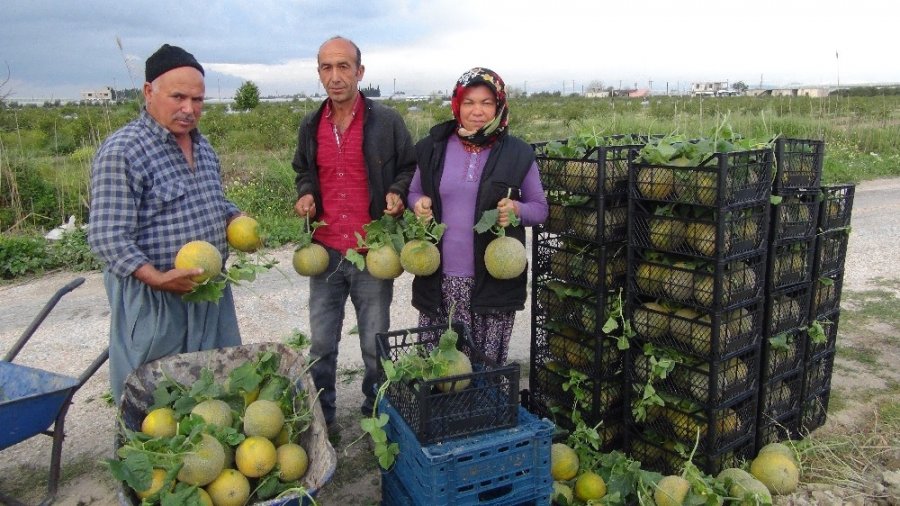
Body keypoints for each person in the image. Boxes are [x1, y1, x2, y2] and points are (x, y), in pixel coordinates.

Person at [88, 44, 243, 404]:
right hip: (156, 296)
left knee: (214, 387)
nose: (189, 109)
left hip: (209, 292)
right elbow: (107, 235)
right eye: (178, 97)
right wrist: (156, 278)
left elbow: (213, 201)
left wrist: (234, 216)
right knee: (158, 396)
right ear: (148, 92)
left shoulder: (204, 148)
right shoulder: (124, 150)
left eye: (198, 99)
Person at [292, 36, 416, 425]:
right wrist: (307, 194)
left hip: (372, 252)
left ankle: (376, 411)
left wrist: (397, 192)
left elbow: (409, 168)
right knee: (320, 345)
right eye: (327, 68)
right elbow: (303, 172)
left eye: (344, 66)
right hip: (325, 252)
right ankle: (321, 419)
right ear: (319, 74)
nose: (336, 76)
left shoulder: (387, 122)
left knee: (374, 344)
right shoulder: (310, 124)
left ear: (359, 72)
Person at [408, 67, 548, 365]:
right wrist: (418, 203)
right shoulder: (433, 148)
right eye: (469, 102)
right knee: (441, 371)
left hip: (492, 283)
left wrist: (517, 210)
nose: (477, 111)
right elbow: (413, 192)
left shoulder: (518, 153)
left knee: (484, 371)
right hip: (440, 281)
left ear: (499, 106)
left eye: (486, 102)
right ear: (457, 104)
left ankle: (485, 412)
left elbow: (540, 208)